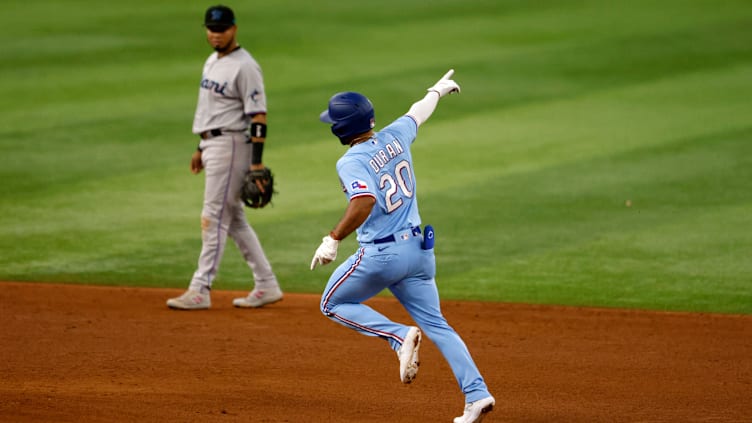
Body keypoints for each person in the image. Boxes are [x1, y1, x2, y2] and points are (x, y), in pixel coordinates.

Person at [310, 70, 495, 423]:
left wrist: (332, 239)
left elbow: (363, 202)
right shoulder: (395, 135)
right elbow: (418, 112)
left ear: (341, 129)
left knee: (332, 302)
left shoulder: (351, 161)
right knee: (438, 326)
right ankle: (477, 395)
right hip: (419, 254)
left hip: (382, 256)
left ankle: (398, 337)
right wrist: (437, 91)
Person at [167, 5, 283, 310]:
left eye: (221, 30)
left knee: (214, 216)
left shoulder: (245, 67)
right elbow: (212, 110)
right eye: (211, 30)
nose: (215, 36)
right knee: (232, 219)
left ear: (234, 29)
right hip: (213, 143)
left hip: (232, 144)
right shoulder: (212, 60)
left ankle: (200, 288)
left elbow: (258, 115)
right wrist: (200, 147)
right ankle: (267, 284)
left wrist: (256, 162)